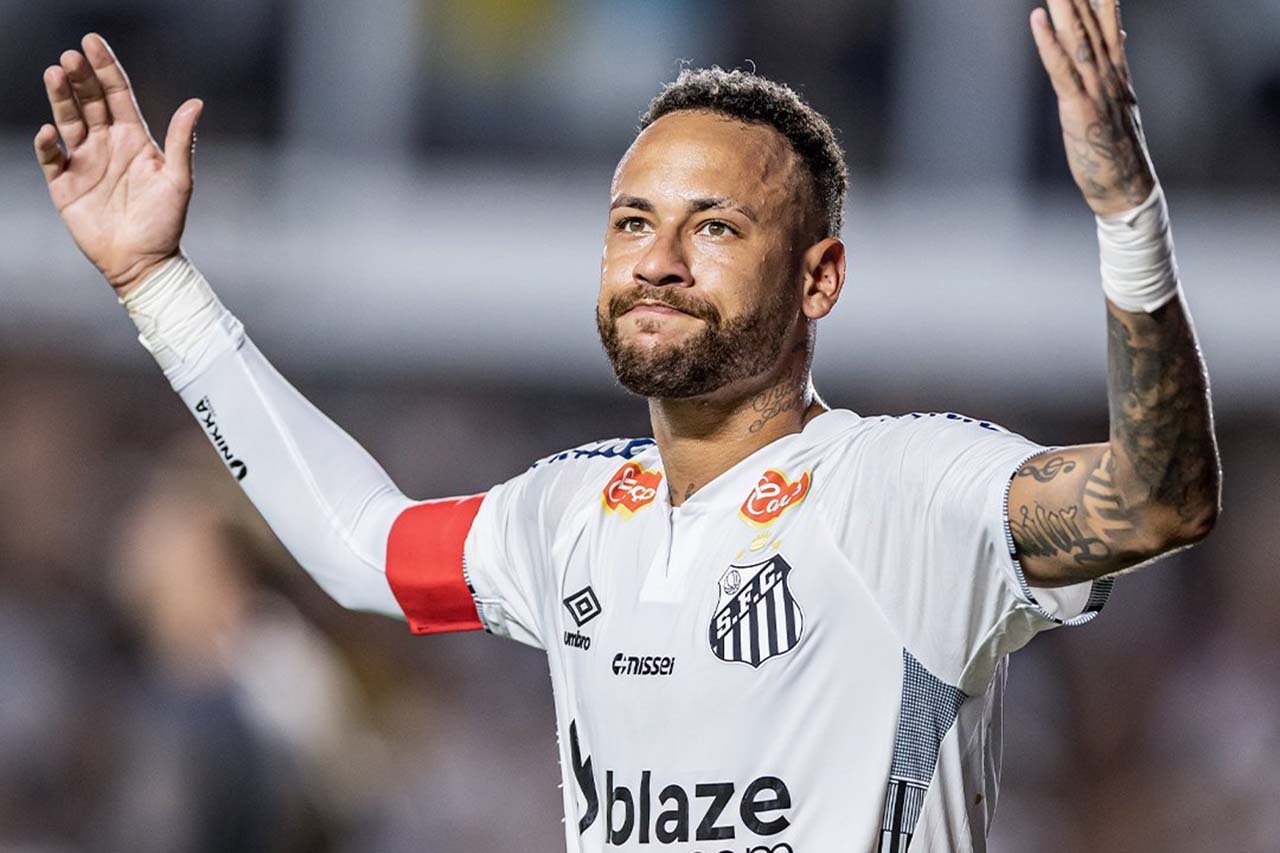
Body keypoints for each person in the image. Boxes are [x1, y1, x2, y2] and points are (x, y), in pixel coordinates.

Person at [35, 1, 1220, 849]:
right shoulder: (570, 514)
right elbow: (362, 546)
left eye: (712, 227)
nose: (655, 260)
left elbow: (1155, 500)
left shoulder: (899, 488)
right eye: (629, 222)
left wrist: (1125, 216)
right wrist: (157, 285)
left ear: (819, 278)